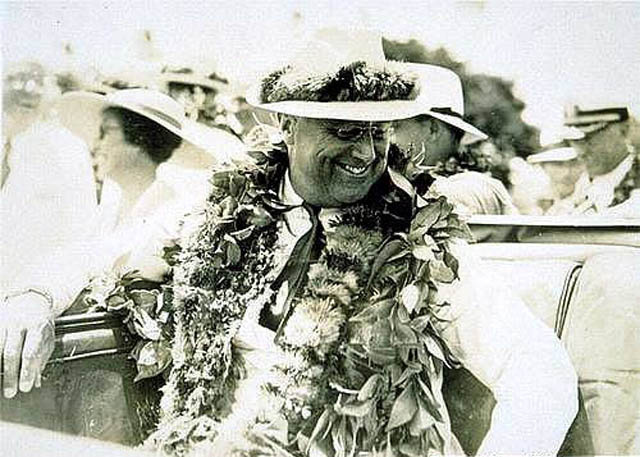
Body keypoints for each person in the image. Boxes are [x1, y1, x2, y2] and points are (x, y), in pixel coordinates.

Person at [151, 29, 577, 456]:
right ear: (287, 126)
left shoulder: (420, 245)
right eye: (344, 131)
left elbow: (539, 369)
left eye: (378, 133)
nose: (366, 154)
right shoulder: (221, 216)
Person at [0, 88, 237, 405]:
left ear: (140, 139)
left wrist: (38, 294)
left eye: (105, 132)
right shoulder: (111, 206)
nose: (94, 145)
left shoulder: (175, 214)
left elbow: (98, 256)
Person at [562, 105, 640, 217]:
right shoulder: (580, 185)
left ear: (624, 130)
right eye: (574, 141)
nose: (581, 151)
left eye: (589, 138)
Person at [526, 145, 586, 216]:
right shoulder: (537, 200)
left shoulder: (591, 195)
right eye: (558, 164)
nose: (567, 171)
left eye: (574, 163)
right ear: (543, 166)